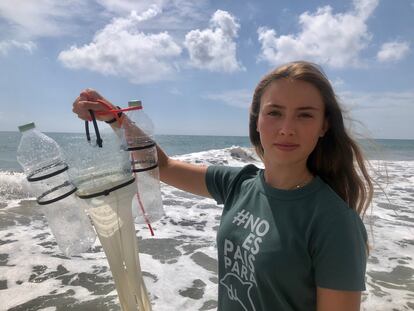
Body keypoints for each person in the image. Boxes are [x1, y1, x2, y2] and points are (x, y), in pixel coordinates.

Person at [72, 61, 373, 311]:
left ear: (324, 126)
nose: (286, 128)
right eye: (274, 112)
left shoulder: (335, 224)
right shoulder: (239, 184)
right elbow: (163, 166)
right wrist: (115, 119)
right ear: (257, 121)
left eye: (305, 115)